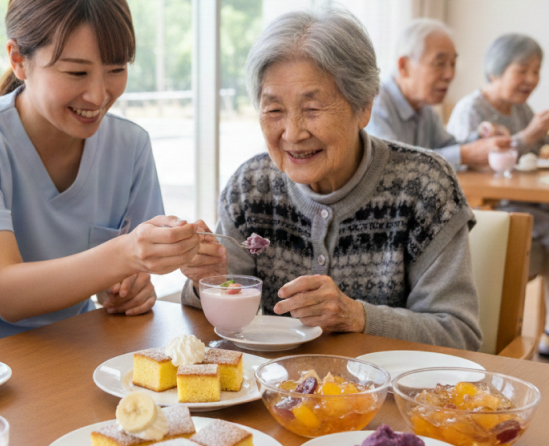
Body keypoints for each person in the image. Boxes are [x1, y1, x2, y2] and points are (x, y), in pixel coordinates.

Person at [179, 9, 483, 350]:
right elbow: (223, 302)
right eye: (275, 110)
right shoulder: (250, 187)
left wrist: (358, 317)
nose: (292, 133)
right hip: (266, 390)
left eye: (313, 109)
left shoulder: (424, 187)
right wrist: (203, 279)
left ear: (364, 107)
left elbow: (459, 334)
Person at [0, 0, 200, 347]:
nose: (99, 94)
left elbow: (123, 274)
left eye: (116, 69)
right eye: (76, 72)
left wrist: (130, 288)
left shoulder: (130, 145)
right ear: (18, 60)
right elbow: (6, 293)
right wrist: (124, 255)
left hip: (65, 345)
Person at [447, 33, 549, 355]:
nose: (532, 79)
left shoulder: (521, 109)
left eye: (537, 71)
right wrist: (528, 135)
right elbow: (466, 170)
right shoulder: (471, 110)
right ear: (496, 71)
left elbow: (527, 161)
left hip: (527, 205)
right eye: (523, 70)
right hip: (495, 210)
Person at [365, 19, 509, 169]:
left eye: (453, 64)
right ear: (404, 66)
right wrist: (465, 154)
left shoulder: (424, 109)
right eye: (440, 63)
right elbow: (391, 162)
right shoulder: (374, 103)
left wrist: (483, 139)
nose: (450, 74)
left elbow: (449, 146)